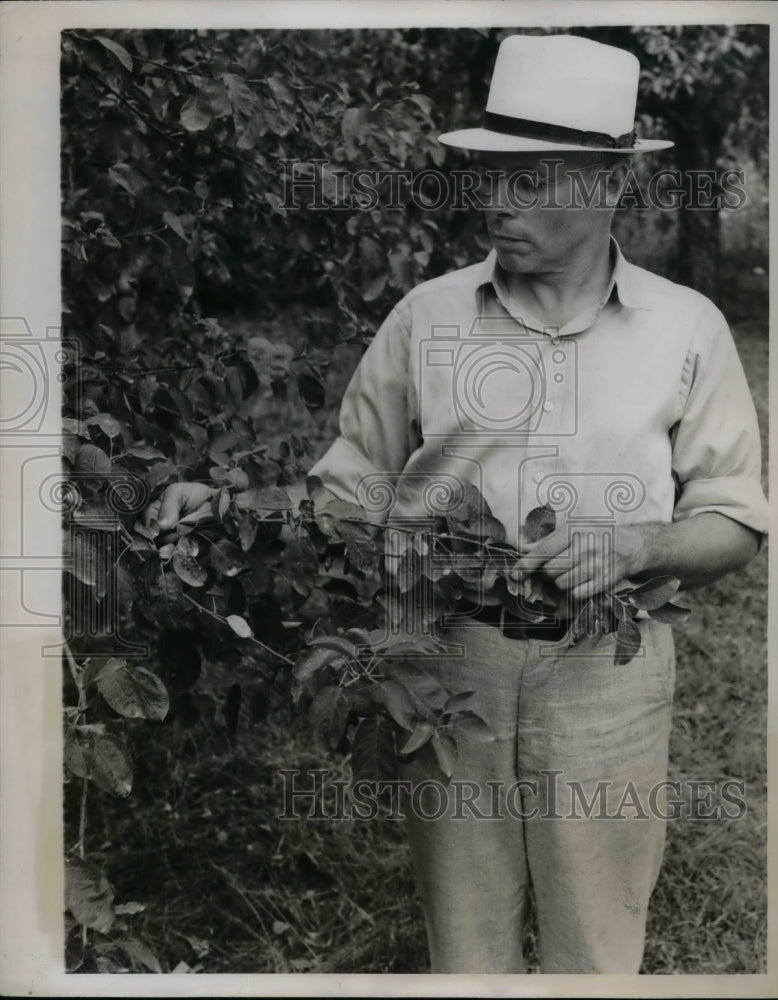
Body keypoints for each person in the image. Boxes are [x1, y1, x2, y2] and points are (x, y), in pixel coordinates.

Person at [153, 34, 768, 973]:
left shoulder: (686, 329)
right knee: (466, 947)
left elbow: (736, 521)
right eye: (488, 175)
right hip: (447, 660)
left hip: (608, 670)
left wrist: (636, 543)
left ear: (606, 184)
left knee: (597, 948)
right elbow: (352, 488)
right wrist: (232, 509)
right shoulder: (429, 316)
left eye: (528, 181)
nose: (493, 201)